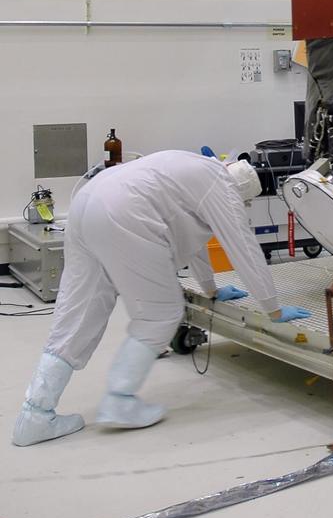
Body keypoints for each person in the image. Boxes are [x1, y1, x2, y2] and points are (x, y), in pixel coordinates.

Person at [12, 151, 311, 447]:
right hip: (122, 210)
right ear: (242, 190)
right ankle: (119, 401)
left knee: (79, 313)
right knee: (161, 312)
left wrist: (211, 289)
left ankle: (35, 414)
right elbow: (242, 245)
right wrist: (273, 308)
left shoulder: (193, 169)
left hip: (87, 204)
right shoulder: (222, 185)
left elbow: (193, 235)